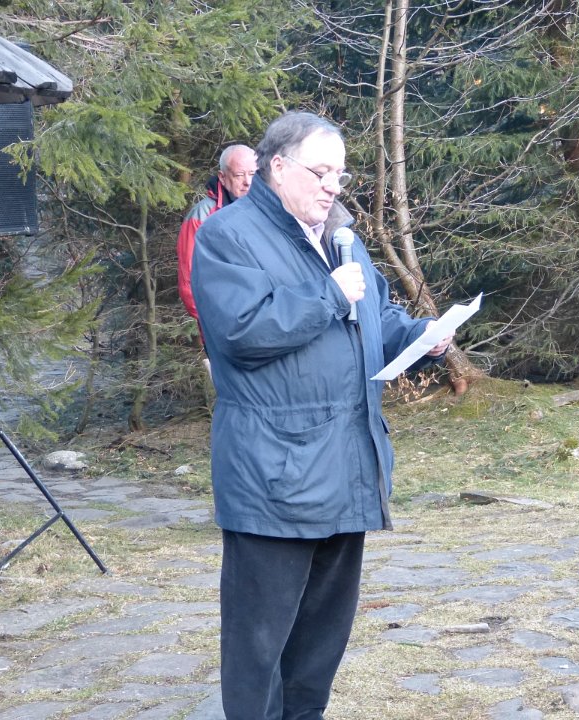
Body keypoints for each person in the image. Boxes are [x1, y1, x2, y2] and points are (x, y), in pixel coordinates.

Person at [191, 111, 452, 720]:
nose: (333, 185)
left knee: (320, 641)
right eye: (322, 171)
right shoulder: (228, 236)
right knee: (259, 644)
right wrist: (331, 294)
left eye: (340, 174)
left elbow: (375, 319)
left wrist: (421, 336)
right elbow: (243, 332)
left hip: (346, 465)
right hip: (274, 475)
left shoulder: (341, 238)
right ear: (278, 166)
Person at [176, 144, 257, 324]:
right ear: (222, 177)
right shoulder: (203, 216)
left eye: (253, 174)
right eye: (239, 175)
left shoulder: (269, 211)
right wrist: (218, 323)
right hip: (224, 324)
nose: (248, 182)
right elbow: (190, 281)